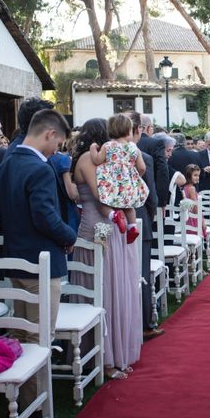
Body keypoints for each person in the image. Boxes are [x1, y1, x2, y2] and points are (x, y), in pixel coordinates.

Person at [0, 108, 77, 412]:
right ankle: (36, 405)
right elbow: (45, 216)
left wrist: (16, 236)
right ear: (49, 134)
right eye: (58, 144)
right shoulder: (39, 168)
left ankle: (20, 400)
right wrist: (69, 235)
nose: (57, 151)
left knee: (22, 333)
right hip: (42, 264)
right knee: (40, 336)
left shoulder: (7, 162)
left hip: (14, 260)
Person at [71, 118, 142, 380]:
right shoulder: (89, 160)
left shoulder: (96, 158)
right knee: (105, 289)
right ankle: (106, 358)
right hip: (99, 229)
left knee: (114, 287)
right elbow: (102, 194)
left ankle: (113, 351)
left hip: (109, 227)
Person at [125, 113, 162, 340]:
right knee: (142, 274)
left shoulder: (102, 155)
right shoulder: (143, 157)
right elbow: (151, 196)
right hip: (139, 221)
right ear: (138, 129)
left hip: (116, 221)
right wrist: (149, 216)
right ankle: (146, 323)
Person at [89, 114, 149, 245]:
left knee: (103, 204)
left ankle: (113, 216)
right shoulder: (134, 147)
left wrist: (93, 149)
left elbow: (97, 160)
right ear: (129, 130)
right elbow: (143, 168)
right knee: (129, 207)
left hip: (112, 184)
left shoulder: (108, 146)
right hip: (127, 184)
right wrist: (134, 176)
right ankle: (132, 227)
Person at [182, 164, 207, 238]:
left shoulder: (185, 187)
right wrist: (202, 222)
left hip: (187, 219)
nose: (197, 178)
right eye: (195, 175)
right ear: (189, 176)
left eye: (198, 175)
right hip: (193, 220)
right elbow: (196, 209)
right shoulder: (191, 188)